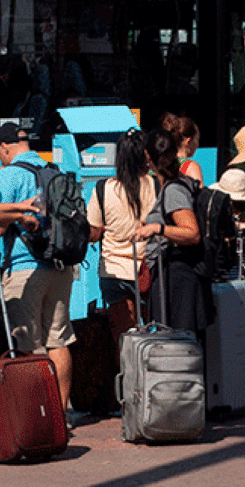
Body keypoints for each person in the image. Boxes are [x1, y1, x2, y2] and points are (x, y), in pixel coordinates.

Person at [0, 122, 75, 416]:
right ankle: (61, 413)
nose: (0, 158)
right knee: (59, 339)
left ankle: (39, 415)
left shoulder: (8, 175)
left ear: (5, 147)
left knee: (29, 345)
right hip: (60, 266)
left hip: (24, 268)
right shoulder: (54, 171)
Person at [87, 128, 158, 355]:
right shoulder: (157, 186)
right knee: (154, 337)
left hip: (113, 272)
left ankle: (128, 386)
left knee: (124, 340)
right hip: (148, 271)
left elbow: (94, 233)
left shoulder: (102, 189)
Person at [132, 129, 204, 333]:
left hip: (177, 280)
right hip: (174, 277)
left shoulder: (174, 189)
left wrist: (157, 228)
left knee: (177, 348)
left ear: (148, 157)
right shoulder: (178, 184)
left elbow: (192, 233)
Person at [160, 112, 203, 184]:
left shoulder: (155, 166)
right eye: (197, 140)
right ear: (188, 142)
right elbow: (200, 194)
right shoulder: (190, 167)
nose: (197, 145)